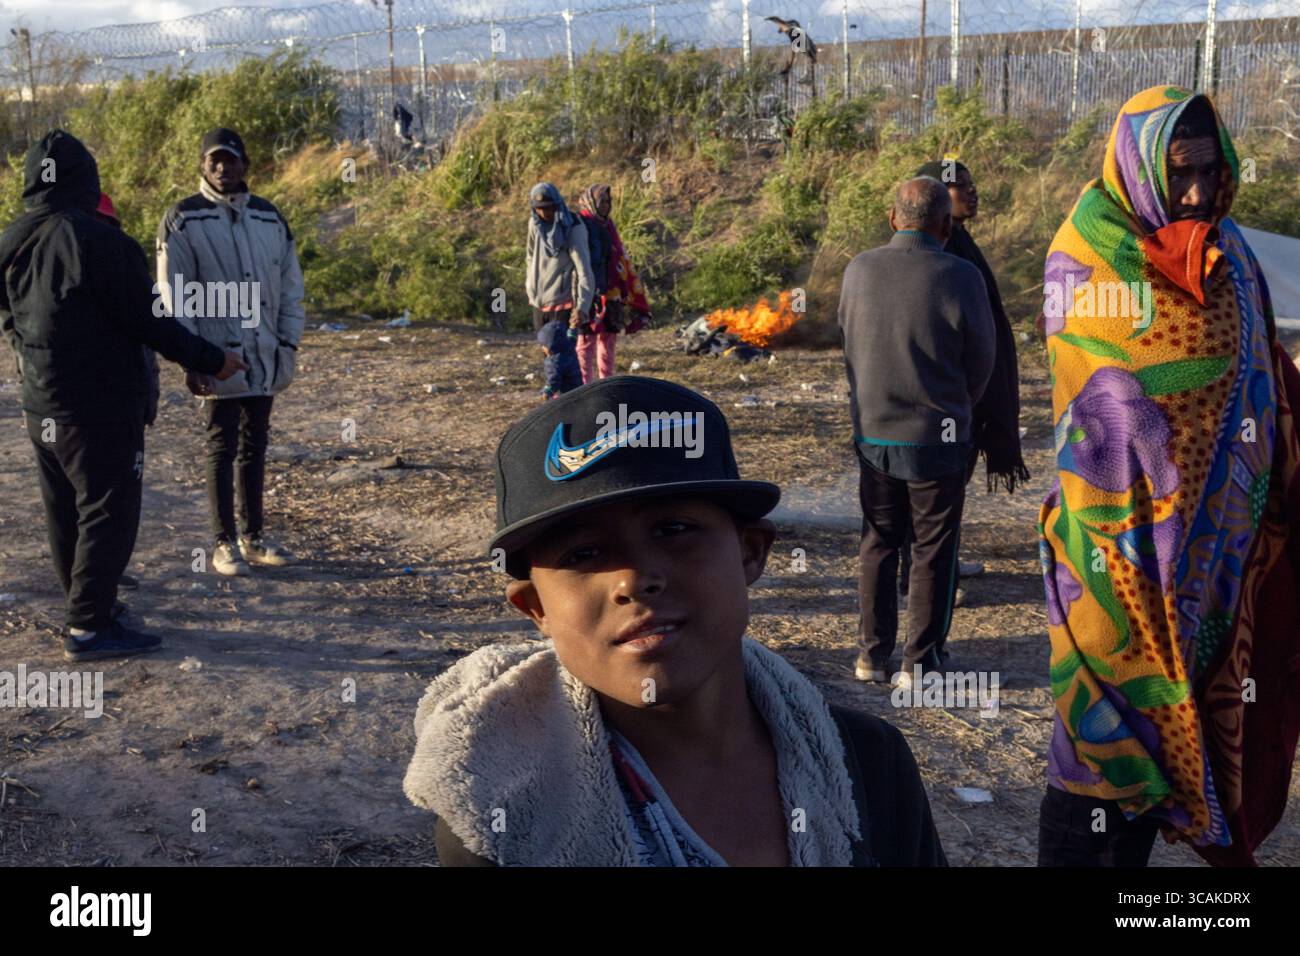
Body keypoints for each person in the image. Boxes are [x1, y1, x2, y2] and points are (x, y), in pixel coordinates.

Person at [403, 376, 946, 867]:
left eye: (672, 529)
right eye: (584, 554)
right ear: (535, 608)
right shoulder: (500, 806)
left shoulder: (866, 765)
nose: (633, 581)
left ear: (750, 552)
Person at [1037, 86, 1300, 867]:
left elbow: (1264, 379)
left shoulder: (1234, 253)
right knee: (1098, 760)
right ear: (1138, 166)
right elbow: (1118, 393)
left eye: (1209, 171)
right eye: (1178, 173)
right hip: (1112, 567)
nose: (1194, 191)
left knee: (1185, 751)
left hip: (1216, 569)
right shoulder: (1083, 256)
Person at [0, 130, 245, 661]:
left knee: (64, 510)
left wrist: (28, 348)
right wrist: (210, 360)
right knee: (107, 512)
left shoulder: (12, 237)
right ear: (87, 181)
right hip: (99, 409)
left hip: (41, 405)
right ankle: (88, 626)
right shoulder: (103, 242)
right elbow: (151, 321)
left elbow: (7, 314)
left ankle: (91, 608)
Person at [837, 177, 995, 688]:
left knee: (878, 541)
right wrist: (955, 411)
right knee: (933, 548)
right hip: (938, 437)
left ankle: (870, 657)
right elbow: (982, 363)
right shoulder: (962, 275)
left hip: (874, 432)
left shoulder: (858, 269)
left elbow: (849, 342)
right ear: (946, 225)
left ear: (891, 218)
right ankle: (920, 663)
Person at [156, 127, 305, 577]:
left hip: (264, 352)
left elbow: (291, 286)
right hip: (216, 356)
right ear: (202, 165)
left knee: (255, 443)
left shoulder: (268, 217)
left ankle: (254, 537)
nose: (222, 168)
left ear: (245, 165)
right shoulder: (184, 218)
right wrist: (193, 357)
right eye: (213, 161)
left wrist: (287, 343)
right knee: (221, 445)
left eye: (230, 160)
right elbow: (173, 292)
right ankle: (224, 543)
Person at [573, 184, 651, 383]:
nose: (606, 206)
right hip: (589, 292)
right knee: (585, 342)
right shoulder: (581, 224)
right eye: (602, 201)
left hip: (612, 292)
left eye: (608, 202)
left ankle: (605, 385)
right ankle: (584, 388)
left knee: (607, 342)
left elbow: (619, 258)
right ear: (591, 202)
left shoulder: (609, 226)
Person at [524, 182, 593, 338]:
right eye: (539, 208)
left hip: (563, 304)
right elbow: (530, 256)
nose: (544, 212)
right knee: (547, 356)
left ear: (557, 204)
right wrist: (530, 286)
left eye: (548, 207)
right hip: (538, 303)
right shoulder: (535, 224)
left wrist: (582, 306)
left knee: (561, 357)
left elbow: (584, 269)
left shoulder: (573, 227)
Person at [537, 315, 582, 400]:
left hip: (564, 394)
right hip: (578, 387)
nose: (542, 348)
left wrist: (548, 391)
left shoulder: (554, 361)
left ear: (550, 347)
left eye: (543, 345)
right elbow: (572, 337)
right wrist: (572, 328)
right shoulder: (568, 346)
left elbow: (554, 379)